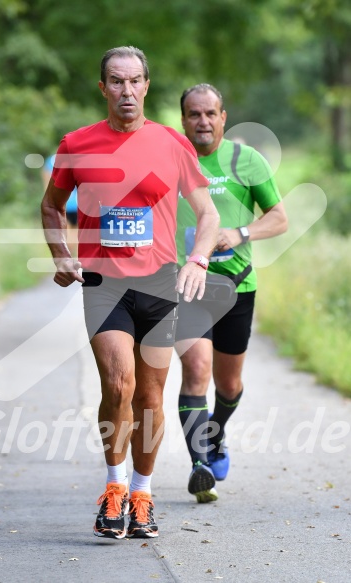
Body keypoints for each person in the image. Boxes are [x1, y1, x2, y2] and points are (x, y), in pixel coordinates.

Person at [41, 49, 219, 538]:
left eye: (135, 81)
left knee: (149, 395)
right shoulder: (77, 144)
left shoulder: (170, 143)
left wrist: (198, 259)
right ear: (103, 88)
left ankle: (142, 493)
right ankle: (114, 487)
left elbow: (207, 214)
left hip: (159, 282)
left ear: (146, 86)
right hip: (104, 282)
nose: (126, 91)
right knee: (118, 385)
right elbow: (52, 207)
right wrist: (61, 254)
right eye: (116, 82)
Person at [175, 84, 288, 503]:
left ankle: (216, 433)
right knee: (196, 370)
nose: (202, 122)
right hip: (188, 284)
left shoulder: (246, 161)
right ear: (182, 119)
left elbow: (278, 219)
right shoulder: (172, 160)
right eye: (193, 114)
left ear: (224, 117)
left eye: (210, 114)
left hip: (238, 284)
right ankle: (199, 463)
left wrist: (239, 233)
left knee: (229, 382)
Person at [42, 155, 78, 255]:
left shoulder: (51, 160)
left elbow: (47, 185)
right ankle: (73, 261)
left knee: (66, 236)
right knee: (74, 236)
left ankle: (69, 262)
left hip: (61, 203)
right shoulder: (79, 157)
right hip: (79, 203)